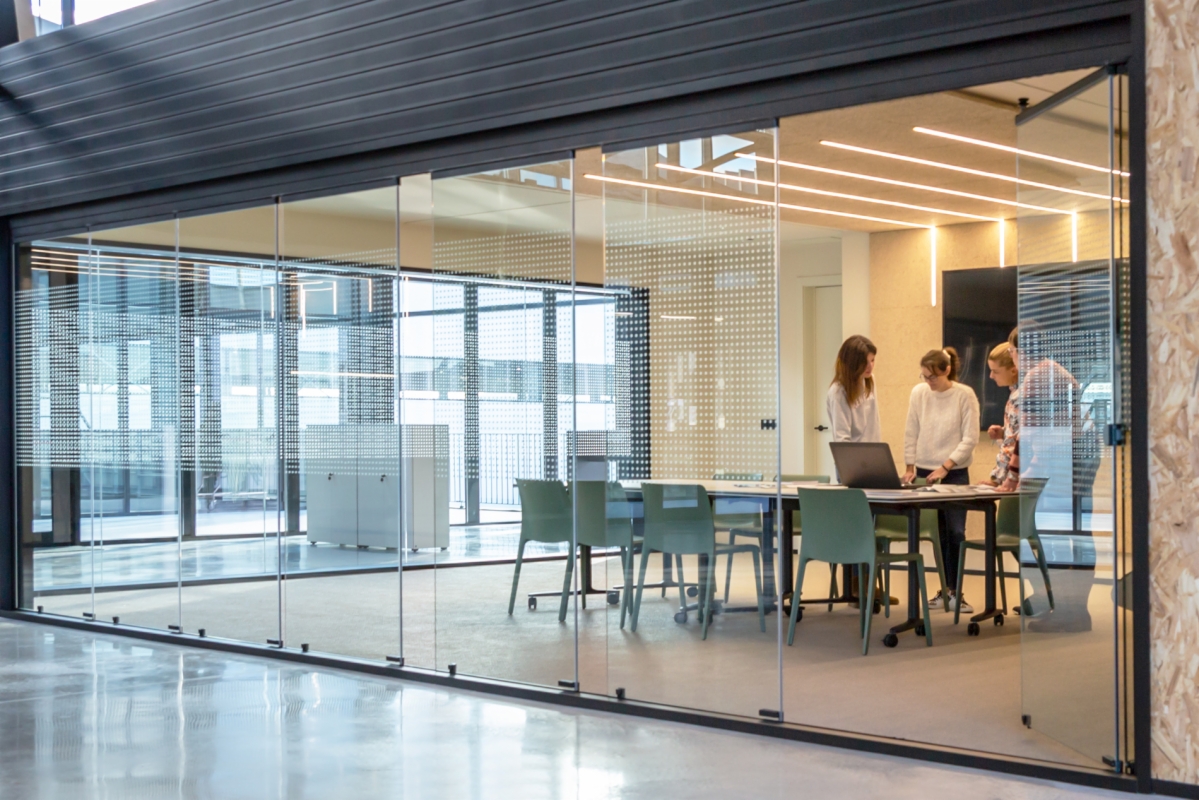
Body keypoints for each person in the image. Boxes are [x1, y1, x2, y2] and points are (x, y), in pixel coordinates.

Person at [902, 347, 979, 612]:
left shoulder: (964, 395)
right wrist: (910, 465)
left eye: (932, 377)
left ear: (947, 371)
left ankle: (956, 591)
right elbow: (911, 429)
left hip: (954, 473)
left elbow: (970, 439)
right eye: (924, 376)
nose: (928, 382)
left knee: (955, 531)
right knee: (936, 533)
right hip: (924, 473)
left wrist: (946, 467)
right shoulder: (918, 393)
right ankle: (943, 591)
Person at [827, 335, 880, 443]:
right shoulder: (838, 392)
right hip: (852, 457)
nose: (870, 366)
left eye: (872, 360)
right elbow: (842, 439)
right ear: (852, 363)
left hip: (873, 455)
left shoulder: (870, 380)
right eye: (865, 362)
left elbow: (873, 427)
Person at [985, 341, 1021, 492]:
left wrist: (997, 478)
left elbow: (1014, 444)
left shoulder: (1020, 396)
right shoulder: (1015, 392)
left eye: (996, 371)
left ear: (1013, 370)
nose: (991, 376)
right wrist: (1004, 431)